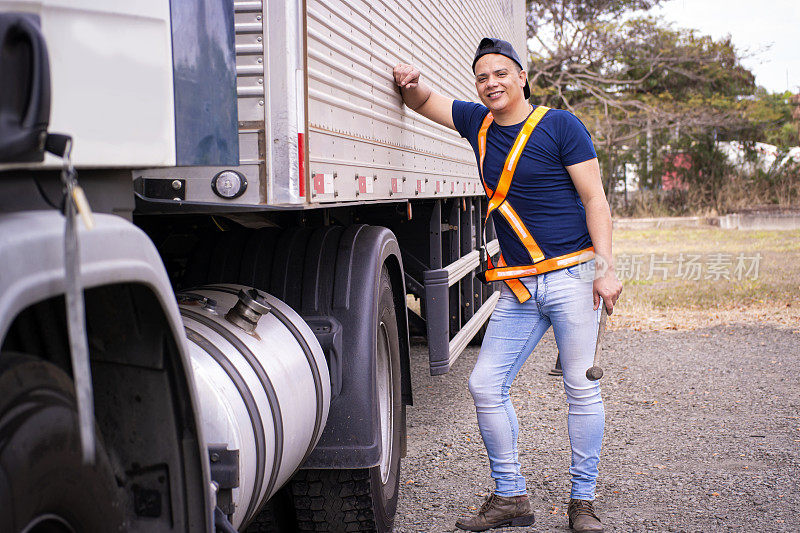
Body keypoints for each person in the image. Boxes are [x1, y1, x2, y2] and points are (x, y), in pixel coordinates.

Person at [393, 38, 623, 533]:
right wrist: (409, 84)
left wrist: (604, 269)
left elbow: (595, 200)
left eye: (501, 73)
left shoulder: (561, 125)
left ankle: (583, 503)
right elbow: (424, 102)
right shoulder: (477, 123)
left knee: (582, 390)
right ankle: (510, 496)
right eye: (481, 76)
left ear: (522, 78)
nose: (491, 83)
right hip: (518, 286)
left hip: (573, 275)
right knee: (484, 384)